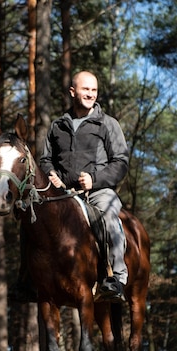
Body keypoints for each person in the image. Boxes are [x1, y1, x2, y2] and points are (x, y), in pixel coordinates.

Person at [39, 70, 129, 302]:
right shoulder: (57, 126)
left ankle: (116, 279)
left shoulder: (108, 124)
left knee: (109, 216)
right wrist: (51, 175)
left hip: (99, 192)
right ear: (72, 92)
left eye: (94, 90)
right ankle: (29, 280)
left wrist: (95, 180)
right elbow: (45, 159)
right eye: (85, 89)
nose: (90, 94)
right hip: (63, 195)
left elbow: (121, 162)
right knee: (33, 220)